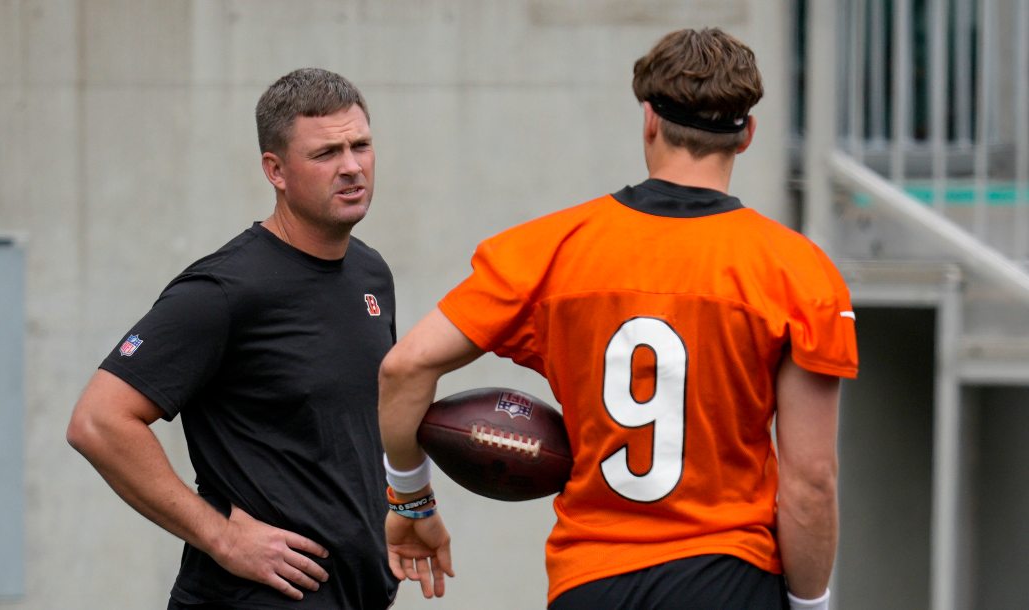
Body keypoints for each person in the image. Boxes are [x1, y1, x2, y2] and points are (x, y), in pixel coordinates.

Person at [377, 28, 858, 610]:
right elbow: (810, 483)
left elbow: (405, 367)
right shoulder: (795, 271)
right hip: (726, 576)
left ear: (649, 119)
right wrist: (809, 604)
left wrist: (410, 501)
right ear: (748, 134)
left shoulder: (548, 251)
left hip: (592, 582)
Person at [67, 68, 399, 609]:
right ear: (276, 170)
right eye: (325, 154)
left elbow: (354, 427)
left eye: (360, 145)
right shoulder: (223, 290)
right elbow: (98, 421)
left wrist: (411, 508)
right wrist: (221, 536)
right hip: (256, 596)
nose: (352, 167)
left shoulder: (369, 274)